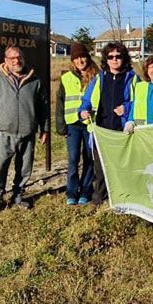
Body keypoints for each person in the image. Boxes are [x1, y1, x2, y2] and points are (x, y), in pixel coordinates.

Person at [0, 45, 50, 214]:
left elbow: (43, 107)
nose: (16, 61)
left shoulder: (35, 81)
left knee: (24, 168)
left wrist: (45, 128)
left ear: (23, 59)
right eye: (12, 58)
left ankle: (18, 196)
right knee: (0, 166)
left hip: (28, 133)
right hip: (5, 133)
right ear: (6, 60)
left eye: (19, 57)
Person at [79, 42, 140, 207]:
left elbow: (140, 101)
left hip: (123, 130)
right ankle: (99, 198)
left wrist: (127, 108)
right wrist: (83, 111)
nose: (114, 60)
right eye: (110, 57)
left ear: (124, 58)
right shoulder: (99, 79)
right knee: (100, 168)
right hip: (101, 130)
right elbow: (86, 100)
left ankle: (124, 197)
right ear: (106, 59)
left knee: (122, 166)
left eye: (118, 56)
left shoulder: (133, 78)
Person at [55, 43, 99, 206]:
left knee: (89, 158)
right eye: (77, 58)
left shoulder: (97, 76)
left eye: (83, 57)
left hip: (90, 124)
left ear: (88, 58)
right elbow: (60, 103)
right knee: (73, 158)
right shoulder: (66, 78)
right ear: (72, 60)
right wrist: (61, 125)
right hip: (72, 123)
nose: (80, 61)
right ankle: (72, 191)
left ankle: (86, 190)